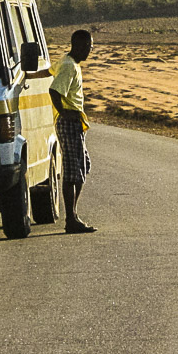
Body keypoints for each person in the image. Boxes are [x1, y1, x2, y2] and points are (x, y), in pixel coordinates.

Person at [51, 29, 97, 234]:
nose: (89, 50)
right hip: (69, 122)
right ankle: (71, 218)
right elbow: (54, 90)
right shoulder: (69, 66)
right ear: (77, 45)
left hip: (75, 122)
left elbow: (49, 72)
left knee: (82, 166)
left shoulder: (68, 63)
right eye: (88, 46)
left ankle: (73, 216)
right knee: (73, 171)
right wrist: (64, 113)